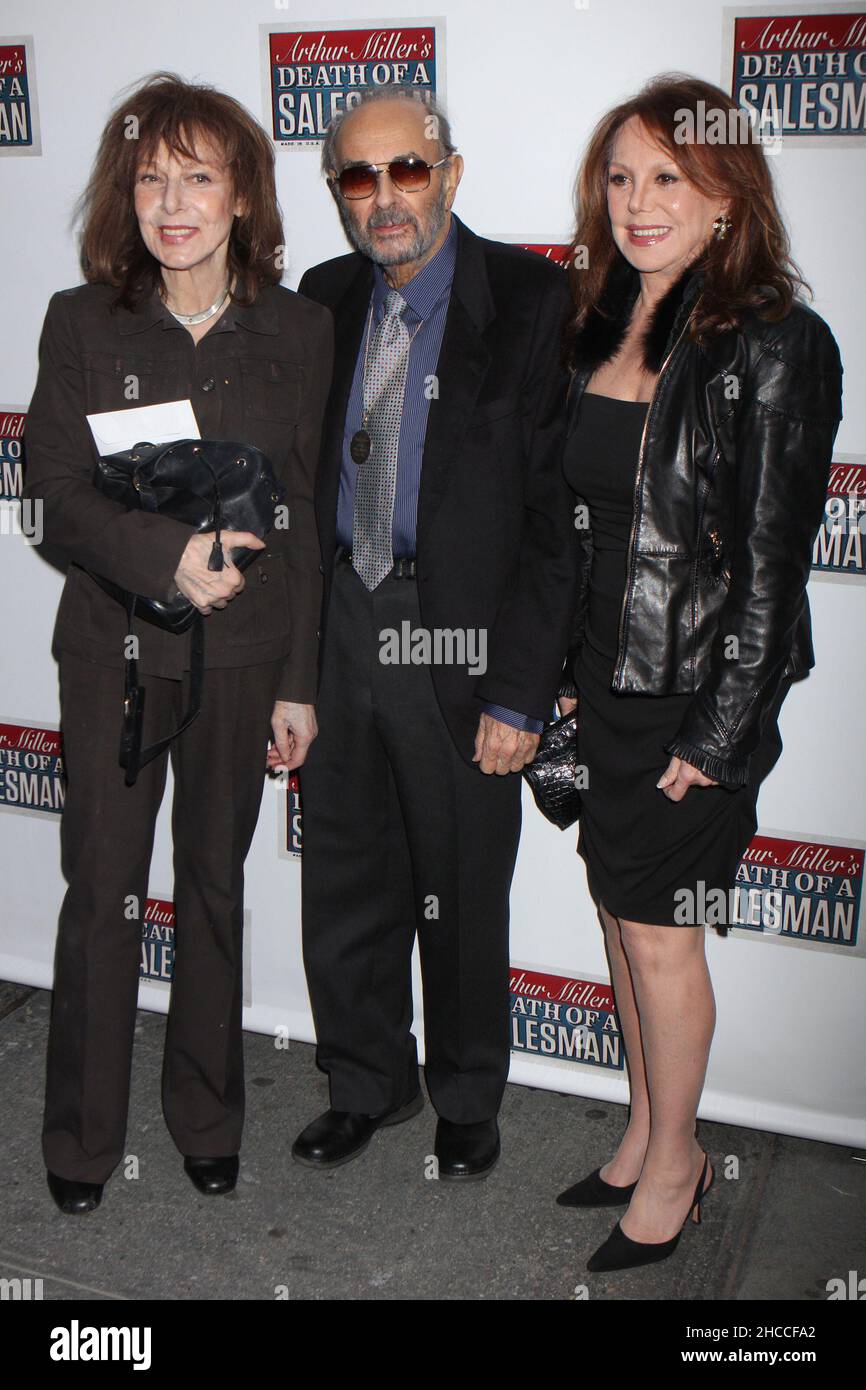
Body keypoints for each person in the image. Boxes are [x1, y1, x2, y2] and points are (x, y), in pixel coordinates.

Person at [24, 72, 333, 1214]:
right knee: (102, 891)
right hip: (110, 653)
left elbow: (301, 506)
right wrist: (164, 559)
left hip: (244, 658)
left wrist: (298, 681)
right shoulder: (81, 319)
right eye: (151, 177)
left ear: (242, 195)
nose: (172, 200)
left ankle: (206, 1119)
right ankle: (79, 1141)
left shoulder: (300, 330)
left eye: (198, 177)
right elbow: (48, 494)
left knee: (211, 885)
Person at [555, 73, 843, 1271]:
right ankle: (642, 1129)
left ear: (727, 194)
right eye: (620, 177)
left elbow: (773, 572)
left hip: (690, 698)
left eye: (667, 176)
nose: (638, 201)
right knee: (619, 918)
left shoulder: (778, 342)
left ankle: (677, 1167)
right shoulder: (602, 321)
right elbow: (576, 525)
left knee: (663, 932)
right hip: (603, 681)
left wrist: (720, 735)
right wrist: (562, 677)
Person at [270, 85, 576, 1180]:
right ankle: (364, 1082)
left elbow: (556, 524)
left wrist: (520, 693)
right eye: (360, 176)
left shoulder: (537, 302)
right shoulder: (323, 296)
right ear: (339, 193)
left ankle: (464, 1093)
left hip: (459, 637)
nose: (385, 196)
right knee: (344, 872)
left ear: (449, 172)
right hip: (342, 618)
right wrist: (289, 665)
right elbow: (292, 496)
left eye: (407, 169)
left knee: (458, 878)